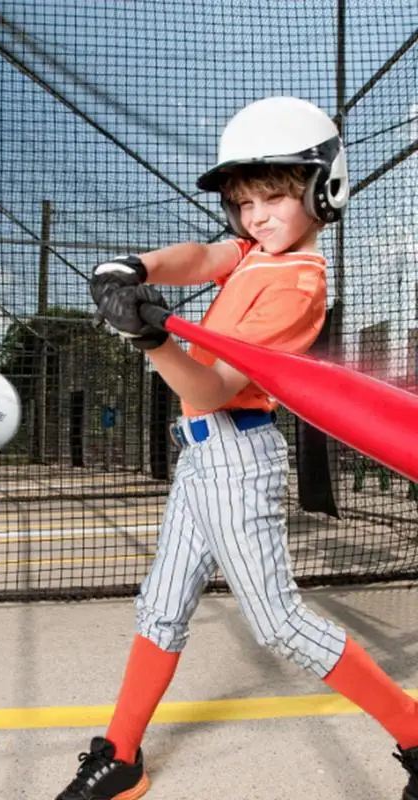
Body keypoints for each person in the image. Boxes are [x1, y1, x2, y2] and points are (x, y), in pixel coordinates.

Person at [55, 96, 418, 800]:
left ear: (321, 190)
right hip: (199, 458)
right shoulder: (253, 253)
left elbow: (217, 385)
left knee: (278, 622)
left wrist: (150, 339)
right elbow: (202, 256)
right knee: (161, 605)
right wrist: (136, 268)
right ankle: (121, 756)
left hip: (236, 454)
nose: (256, 216)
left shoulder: (298, 286)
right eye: (244, 202)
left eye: (275, 197)